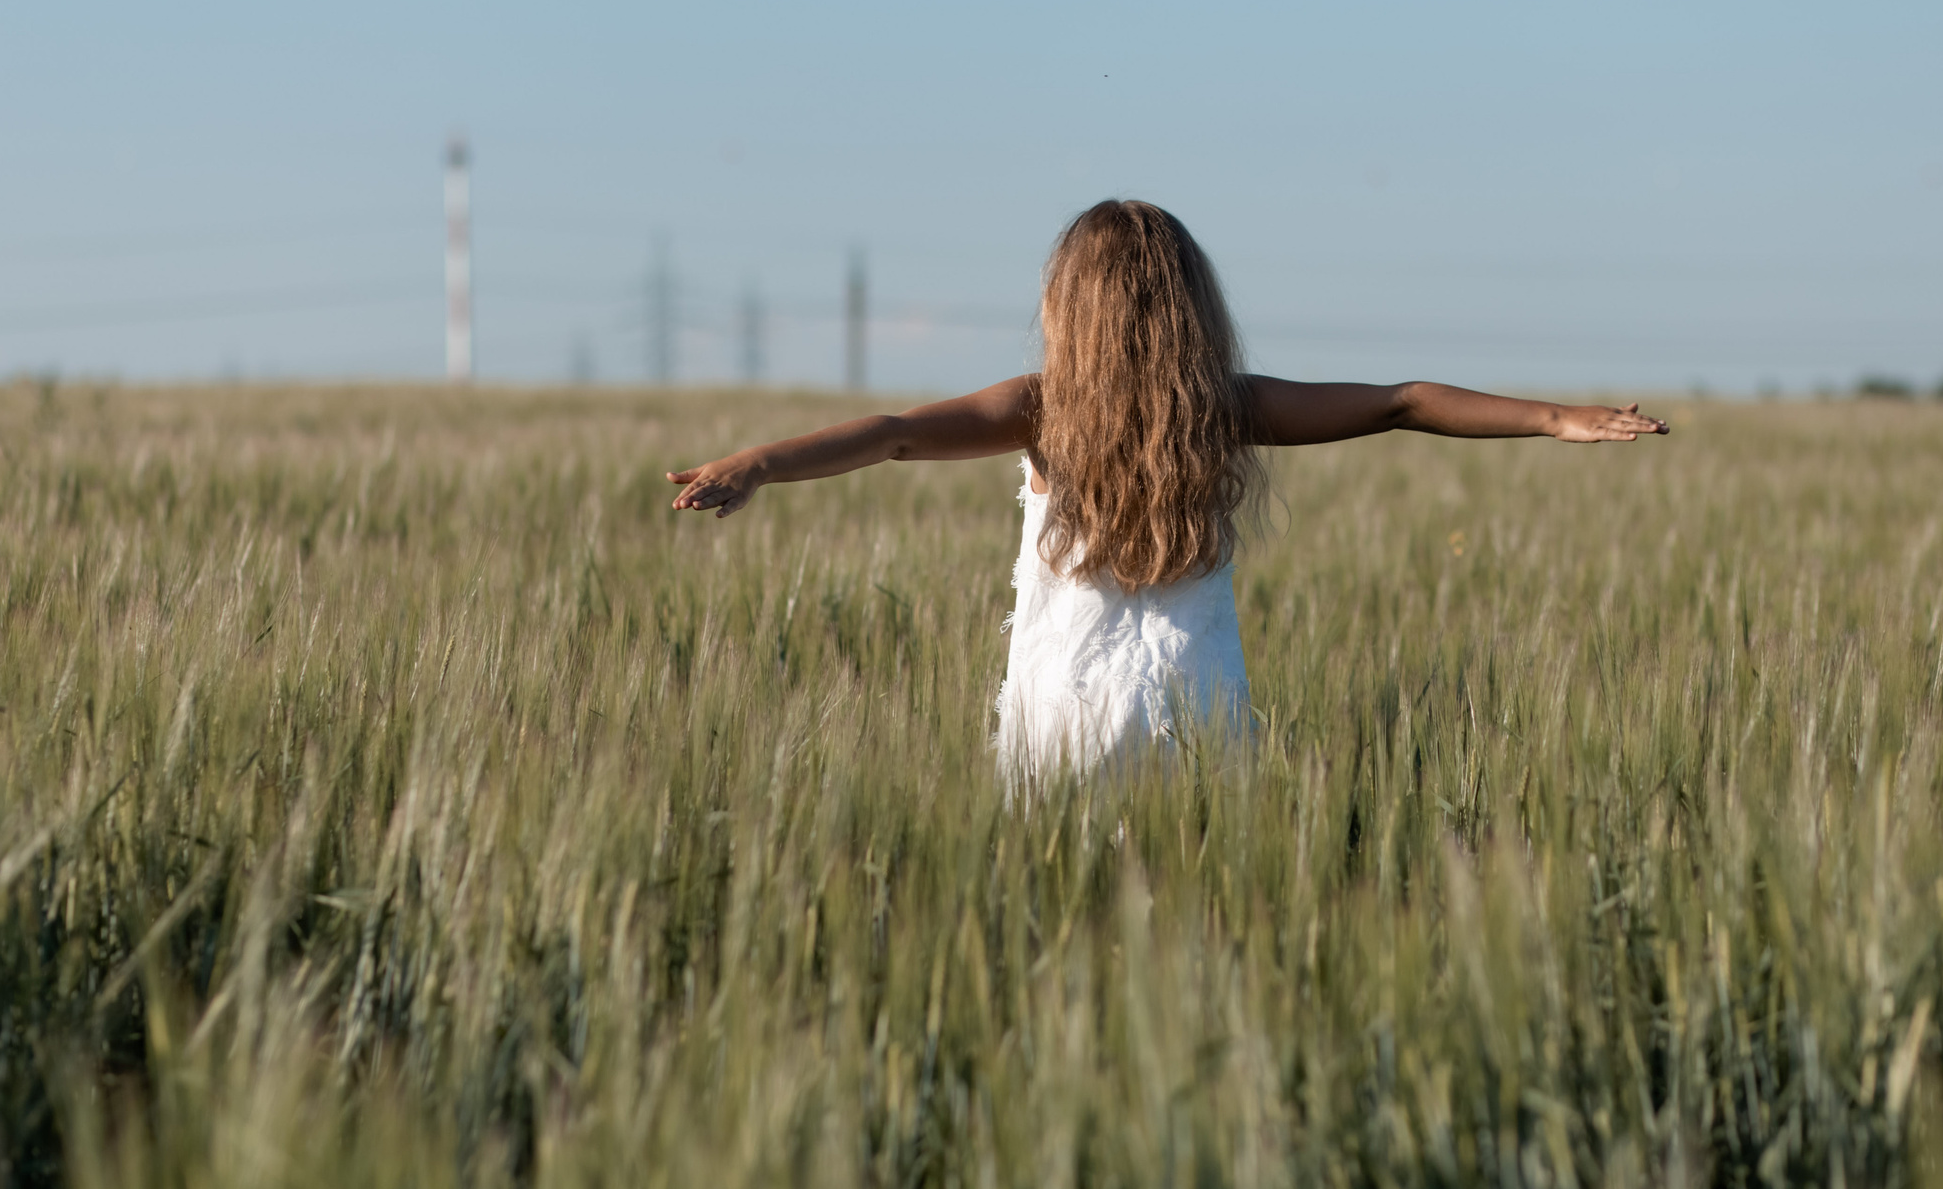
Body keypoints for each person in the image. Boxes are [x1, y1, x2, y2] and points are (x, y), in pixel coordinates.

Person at [668, 200, 1667, 784]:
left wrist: (759, 462)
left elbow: (890, 435)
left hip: (1058, 709)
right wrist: (1554, 418)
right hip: (1196, 706)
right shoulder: (1222, 408)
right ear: (1191, 305)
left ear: (1068, 306)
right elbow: (1402, 402)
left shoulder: (1040, 407)